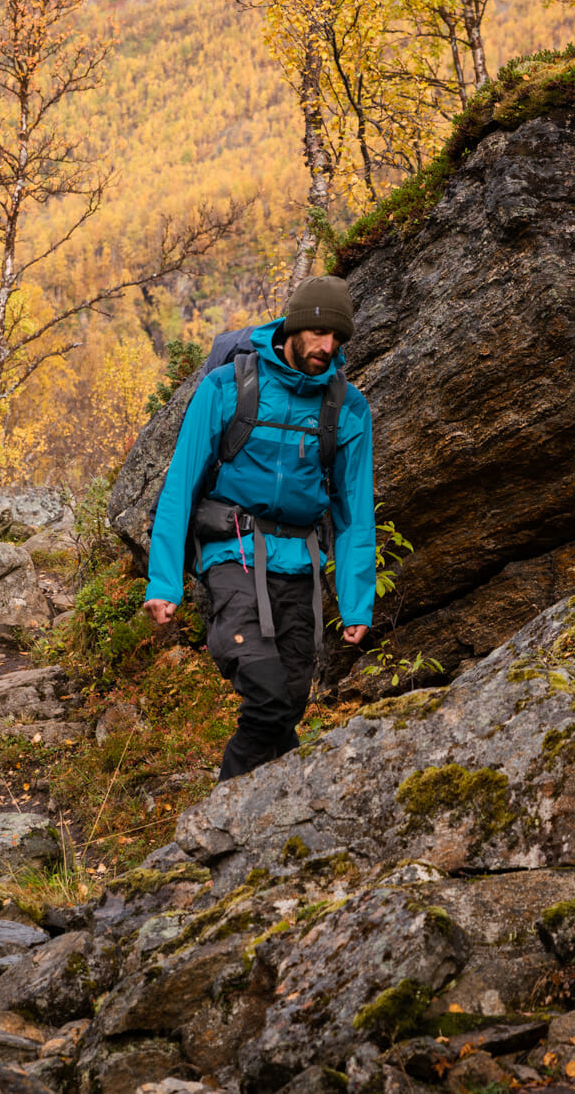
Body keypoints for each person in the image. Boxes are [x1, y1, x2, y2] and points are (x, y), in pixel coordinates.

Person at [142, 275, 378, 781]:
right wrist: (163, 581)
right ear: (293, 327)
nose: (328, 347)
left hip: (301, 565)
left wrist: (357, 600)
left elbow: (354, 512)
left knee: (288, 704)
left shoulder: (348, 407)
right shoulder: (227, 386)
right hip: (233, 554)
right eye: (318, 334)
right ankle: (230, 825)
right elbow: (181, 485)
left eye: (338, 339)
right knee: (268, 695)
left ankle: (265, 824)